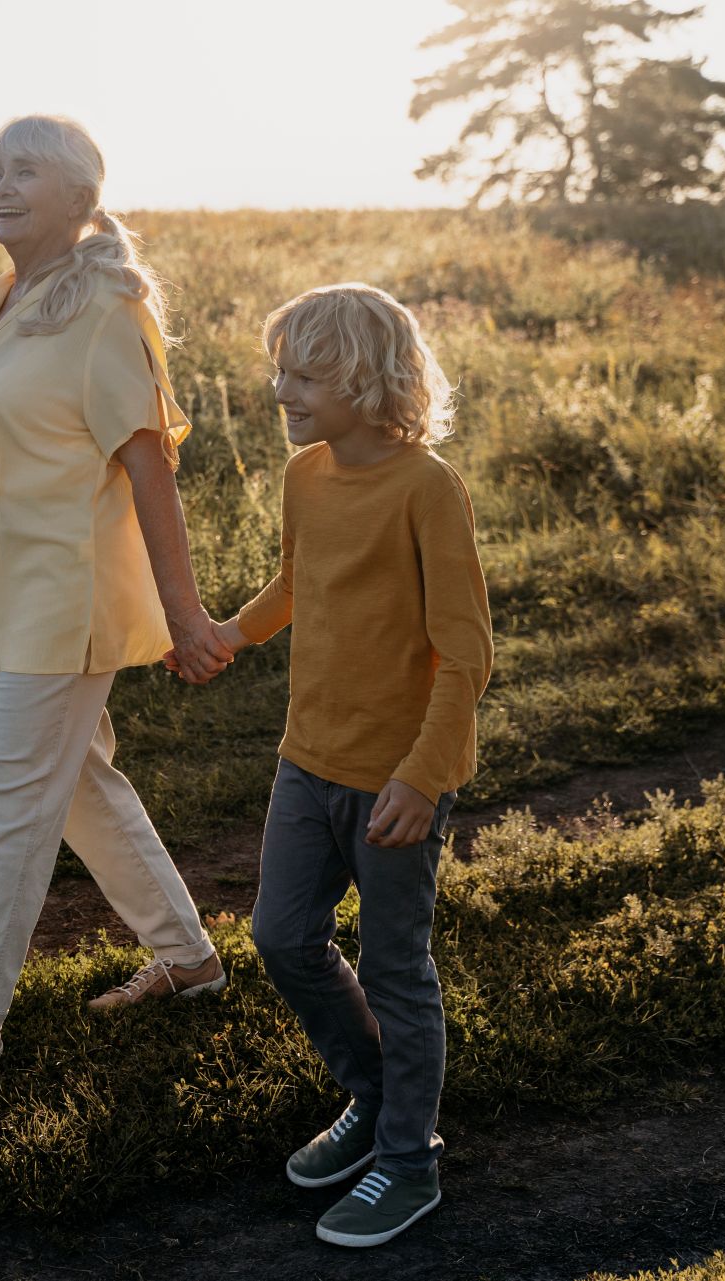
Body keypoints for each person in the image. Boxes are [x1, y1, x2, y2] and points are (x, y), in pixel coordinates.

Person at [0, 115, 235, 1083]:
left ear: (81, 194)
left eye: (25, 169)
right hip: (16, 597)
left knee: (7, 788)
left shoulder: (106, 305)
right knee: (75, 784)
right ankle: (190, 961)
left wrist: (184, 614)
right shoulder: (11, 299)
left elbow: (148, 469)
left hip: (68, 597)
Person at [212, 283, 494, 1248]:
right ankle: (373, 1098)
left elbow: (466, 654)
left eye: (304, 373)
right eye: (279, 369)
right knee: (282, 936)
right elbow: (297, 580)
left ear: (368, 380)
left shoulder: (427, 489)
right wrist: (229, 635)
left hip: (396, 776)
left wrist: (424, 775)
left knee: (395, 965)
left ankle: (410, 1162)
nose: (281, 389)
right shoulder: (304, 474)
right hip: (307, 758)